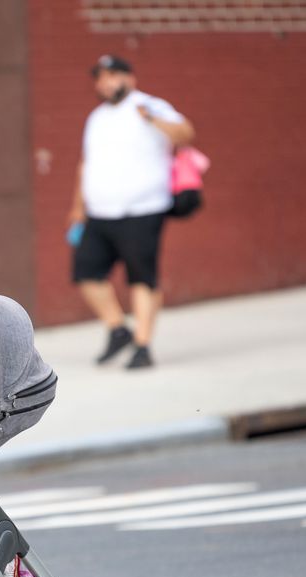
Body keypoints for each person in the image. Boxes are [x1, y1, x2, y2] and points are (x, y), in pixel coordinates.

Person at [68, 54, 194, 370]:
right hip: (100, 212)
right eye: (101, 77)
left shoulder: (150, 105)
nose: (107, 82)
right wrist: (78, 207)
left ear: (130, 78)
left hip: (143, 210)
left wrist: (151, 119)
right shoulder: (96, 117)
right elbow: (87, 164)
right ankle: (117, 328)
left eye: (114, 75)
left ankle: (143, 344)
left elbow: (185, 134)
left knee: (142, 277)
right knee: (86, 272)